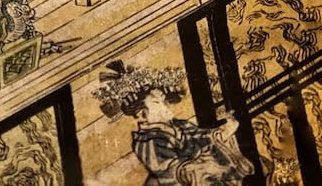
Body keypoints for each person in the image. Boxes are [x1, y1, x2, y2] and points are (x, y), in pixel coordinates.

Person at [92, 60, 255, 185]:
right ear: (142, 112)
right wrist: (203, 168)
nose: (164, 106)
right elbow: (170, 172)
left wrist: (224, 131)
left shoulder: (180, 125)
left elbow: (202, 137)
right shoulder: (147, 141)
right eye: (156, 103)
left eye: (164, 101)